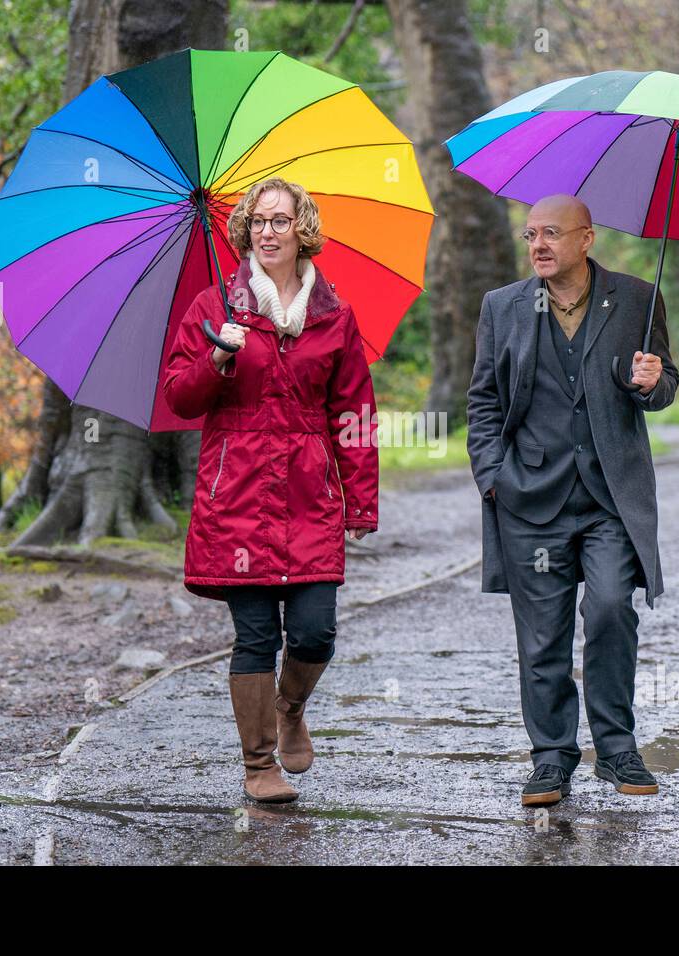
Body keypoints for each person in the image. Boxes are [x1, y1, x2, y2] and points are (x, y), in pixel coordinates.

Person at [161, 177, 378, 803]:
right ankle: (259, 766)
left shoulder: (334, 316)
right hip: (238, 495)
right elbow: (179, 394)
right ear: (244, 231)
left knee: (315, 632)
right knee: (255, 635)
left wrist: (360, 499)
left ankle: (289, 708)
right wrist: (216, 360)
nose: (268, 231)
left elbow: (354, 413)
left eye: (281, 221)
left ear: (303, 229)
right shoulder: (214, 307)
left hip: (310, 494)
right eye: (258, 222)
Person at [466, 193, 679, 807]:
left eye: (552, 233)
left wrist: (651, 382)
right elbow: (482, 401)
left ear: (586, 239)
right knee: (542, 637)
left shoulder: (637, 298)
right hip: (530, 498)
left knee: (613, 607)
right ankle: (552, 759)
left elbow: (665, 383)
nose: (538, 244)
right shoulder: (502, 306)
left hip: (610, 497)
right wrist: (492, 476)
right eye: (531, 234)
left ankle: (616, 749)